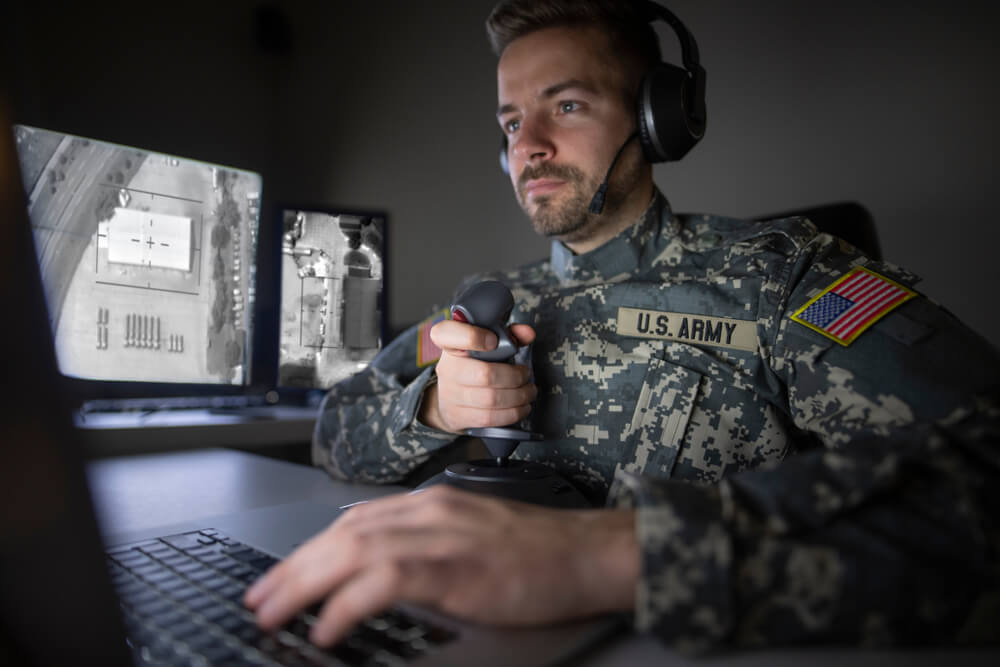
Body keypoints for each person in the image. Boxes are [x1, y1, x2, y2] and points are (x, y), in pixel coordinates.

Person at [245, 0, 1000, 653]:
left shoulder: (779, 280)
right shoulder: (484, 306)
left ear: (657, 117)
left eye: (565, 105)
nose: (527, 144)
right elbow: (333, 429)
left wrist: (609, 555)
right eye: (511, 120)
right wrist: (437, 410)